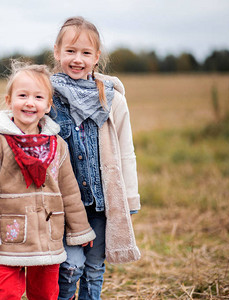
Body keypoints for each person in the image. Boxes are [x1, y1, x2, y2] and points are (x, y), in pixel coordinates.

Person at [0, 61, 96, 300]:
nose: (29, 102)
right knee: (5, 292)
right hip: (7, 238)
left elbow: (69, 193)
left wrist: (79, 230)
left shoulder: (59, 146)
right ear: (9, 100)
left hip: (47, 236)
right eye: (22, 95)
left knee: (46, 294)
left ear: (48, 105)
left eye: (38, 97)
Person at [50, 16, 141, 299]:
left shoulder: (113, 99)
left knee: (94, 267)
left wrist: (130, 198)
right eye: (71, 51)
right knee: (69, 266)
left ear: (97, 57)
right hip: (65, 204)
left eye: (86, 53)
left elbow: (126, 151)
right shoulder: (48, 96)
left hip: (102, 202)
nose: (78, 59)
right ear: (57, 52)